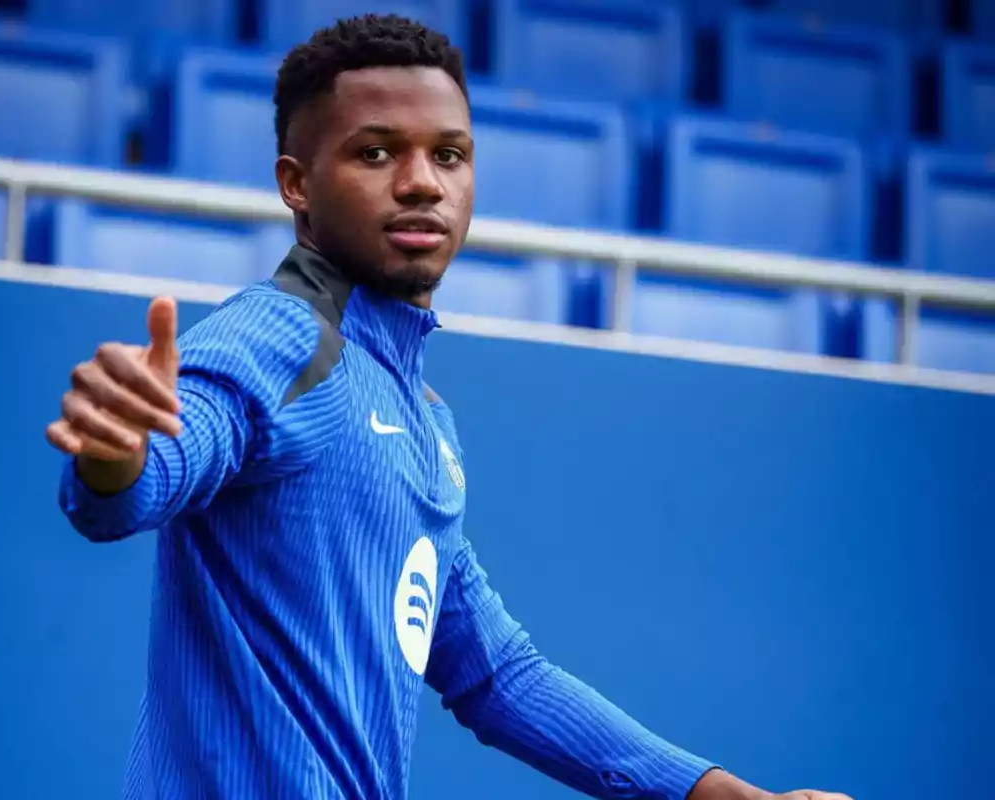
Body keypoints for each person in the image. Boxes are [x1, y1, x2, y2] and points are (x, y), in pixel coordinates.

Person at [45, 14, 852, 800]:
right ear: (296, 182)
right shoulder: (280, 334)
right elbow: (158, 467)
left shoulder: (429, 423)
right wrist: (119, 454)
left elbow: (497, 672)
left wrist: (721, 794)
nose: (423, 181)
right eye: (376, 152)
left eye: (450, 155)